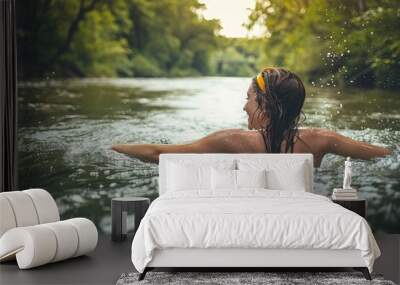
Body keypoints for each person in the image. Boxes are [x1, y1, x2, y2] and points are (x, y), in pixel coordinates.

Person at [111, 67, 391, 167]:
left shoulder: (232, 141)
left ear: (264, 106)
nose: (244, 106)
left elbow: (158, 153)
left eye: (248, 98)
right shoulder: (321, 140)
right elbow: (383, 154)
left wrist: (113, 147)